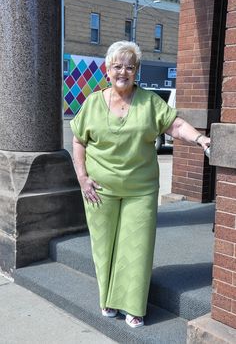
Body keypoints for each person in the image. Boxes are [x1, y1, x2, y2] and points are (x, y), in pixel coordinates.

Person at [70, 41, 210, 328]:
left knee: (137, 246)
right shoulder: (93, 103)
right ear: (107, 70)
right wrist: (82, 178)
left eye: (130, 67)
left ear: (137, 71)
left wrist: (200, 139)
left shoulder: (149, 102)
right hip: (99, 189)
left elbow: (176, 125)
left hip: (140, 188)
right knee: (104, 246)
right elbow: (78, 141)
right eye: (117, 66)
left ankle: (133, 306)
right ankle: (108, 300)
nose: (123, 71)